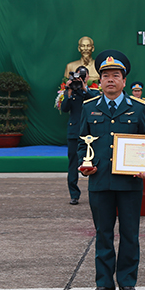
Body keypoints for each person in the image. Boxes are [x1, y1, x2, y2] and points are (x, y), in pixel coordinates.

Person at [77, 49, 145, 290]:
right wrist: (84, 164)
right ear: (101, 80)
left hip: (130, 182)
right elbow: (80, 144)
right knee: (103, 233)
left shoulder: (138, 109)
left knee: (130, 233)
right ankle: (104, 282)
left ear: (124, 80)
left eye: (115, 75)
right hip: (100, 180)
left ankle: (128, 281)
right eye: (106, 75)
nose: (110, 79)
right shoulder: (89, 108)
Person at [60, 65, 98, 205]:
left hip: (91, 133)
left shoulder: (90, 92)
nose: (81, 79)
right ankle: (74, 195)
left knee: (96, 162)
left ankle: (97, 192)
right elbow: (64, 108)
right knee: (73, 164)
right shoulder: (71, 91)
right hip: (74, 132)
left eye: (83, 77)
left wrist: (84, 89)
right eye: (78, 77)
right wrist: (68, 91)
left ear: (87, 78)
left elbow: (95, 101)